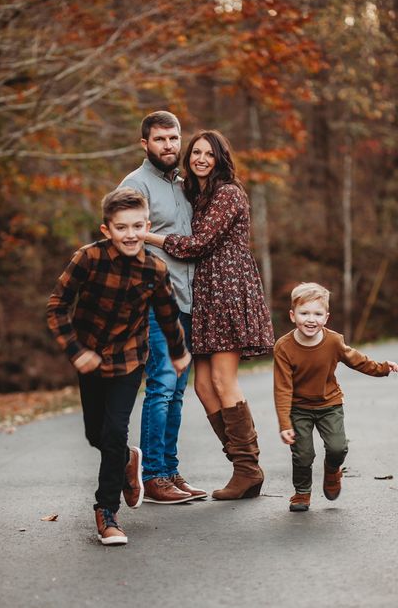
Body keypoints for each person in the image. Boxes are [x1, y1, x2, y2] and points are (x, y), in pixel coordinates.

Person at [46, 188, 191, 545]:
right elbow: (57, 306)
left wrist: (178, 351)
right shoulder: (88, 259)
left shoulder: (154, 269)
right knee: (96, 435)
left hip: (128, 359)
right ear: (106, 228)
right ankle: (128, 459)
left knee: (113, 432)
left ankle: (107, 511)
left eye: (137, 226)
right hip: (90, 357)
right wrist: (75, 349)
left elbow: (168, 313)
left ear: (147, 225)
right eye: (121, 227)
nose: (130, 234)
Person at [145, 129, 274, 500]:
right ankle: (243, 467)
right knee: (202, 387)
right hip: (205, 295)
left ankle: (247, 469)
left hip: (228, 290)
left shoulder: (228, 193)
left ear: (220, 158)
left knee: (222, 380)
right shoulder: (196, 194)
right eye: (195, 152)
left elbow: (198, 244)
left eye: (208, 153)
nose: (201, 158)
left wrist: (150, 238)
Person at [121, 111, 206, 503]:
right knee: (161, 386)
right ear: (145, 144)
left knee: (176, 392)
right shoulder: (136, 185)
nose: (169, 146)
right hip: (157, 303)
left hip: (187, 301)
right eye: (160, 139)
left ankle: (169, 470)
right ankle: (153, 475)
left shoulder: (183, 185)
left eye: (174, 138)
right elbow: (125, 241)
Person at [273, 281, 398, 513]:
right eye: (304, 313)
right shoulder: (283, 347)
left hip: (329, 404)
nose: (311, 319)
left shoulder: (333, 341)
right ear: (293, 316)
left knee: (338, 448)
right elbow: (282, 387)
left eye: (317, 314)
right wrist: (284, 423)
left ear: (326, 317)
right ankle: (302, 492)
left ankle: (332, 471)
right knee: (302, 454)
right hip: (298, 408)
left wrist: (382, 368)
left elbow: (357, 360)